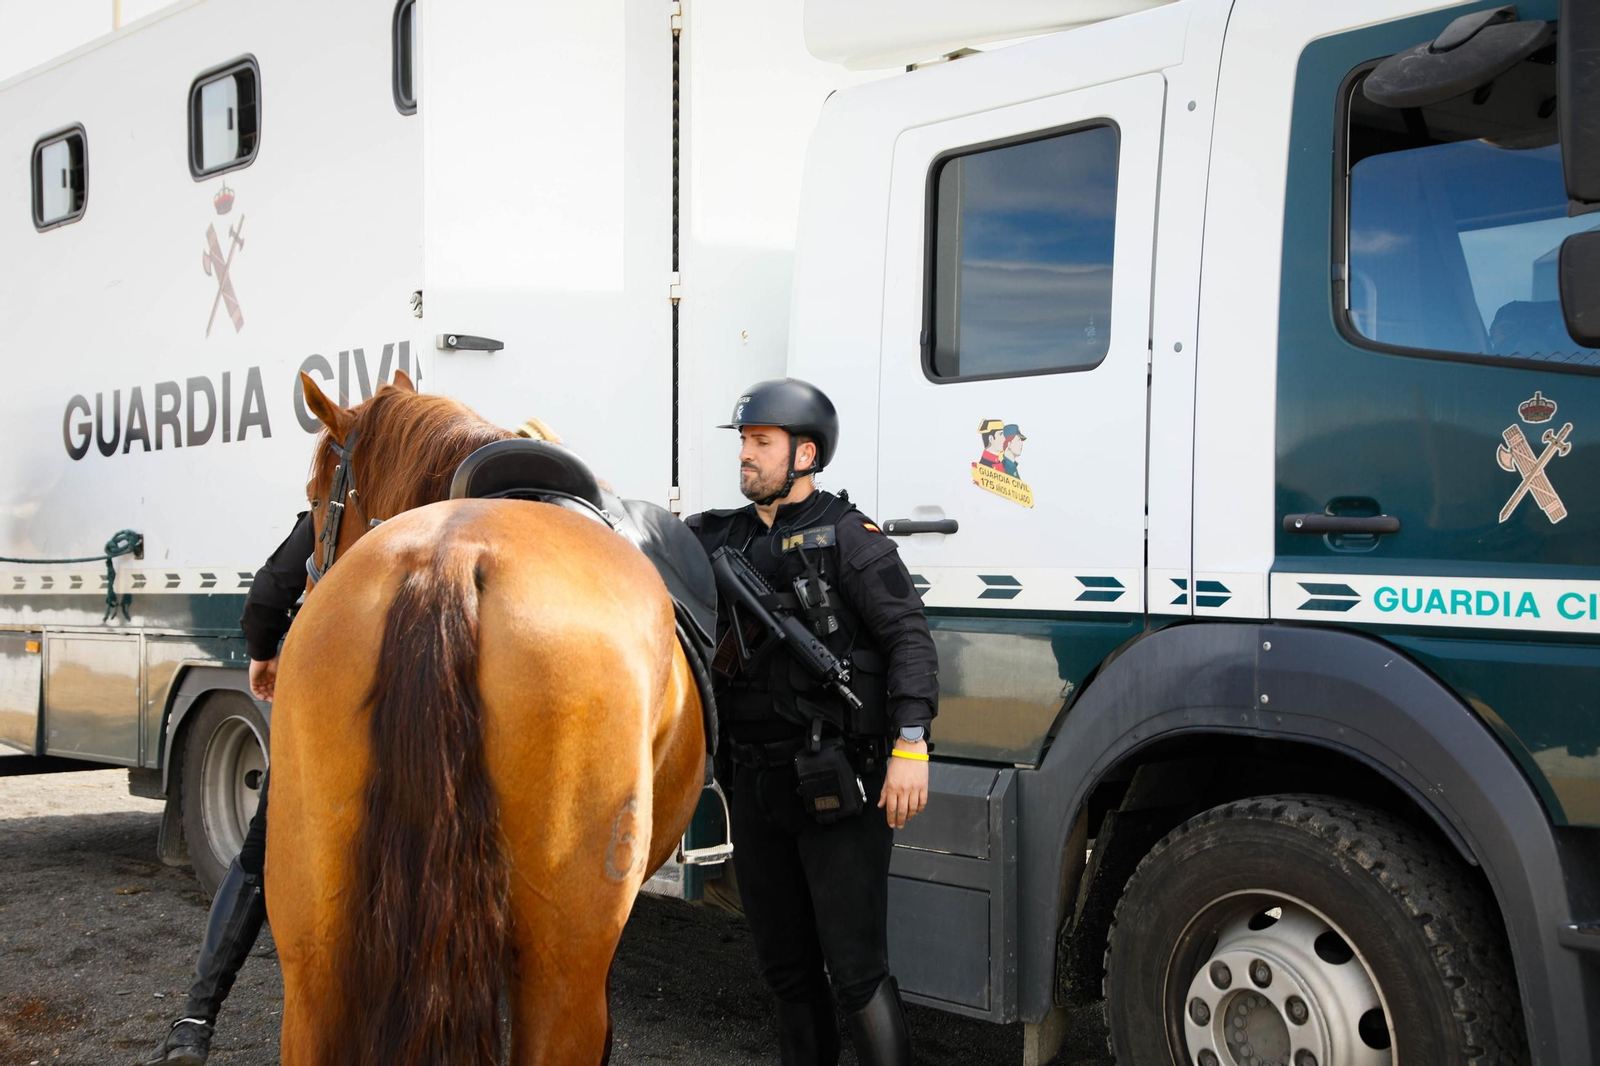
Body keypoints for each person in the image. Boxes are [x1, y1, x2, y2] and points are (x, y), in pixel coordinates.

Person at [686, 378, 938, 1066]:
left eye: (761, 442)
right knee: (787, 973)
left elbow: (910, 640)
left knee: (855, 972)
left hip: (838, 784)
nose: (746, 454)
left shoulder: (850, 538)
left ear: (805, 454)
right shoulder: (720, 536)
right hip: (755, 786)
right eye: (744, 441)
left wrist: (910, 746)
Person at [145, 512, 311, 1066]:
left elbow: (267, 597)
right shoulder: (472, 494)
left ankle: (194, 1022)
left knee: (259, 854)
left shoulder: (348, 491)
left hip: (329, 708)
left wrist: (263, 652)